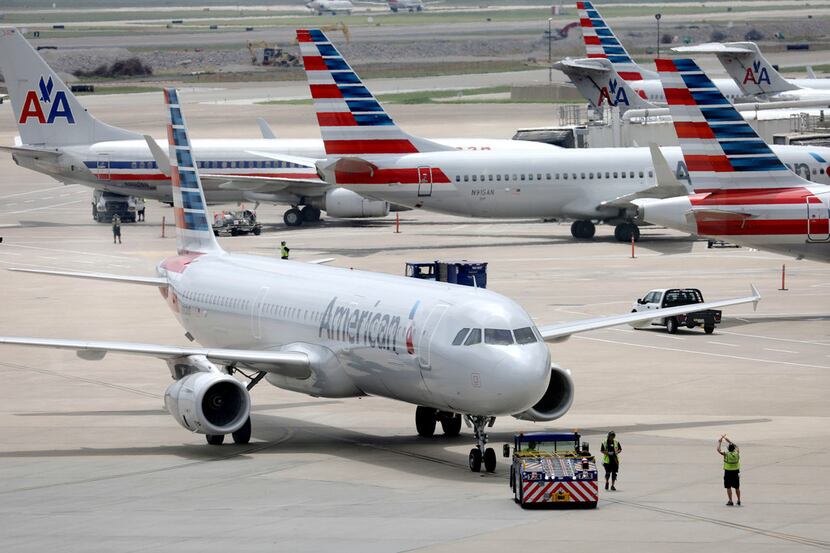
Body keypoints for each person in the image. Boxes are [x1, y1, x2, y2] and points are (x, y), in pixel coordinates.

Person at [717, 435, 741, 506]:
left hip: (728, 472)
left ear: (728, 449)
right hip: (736, 472)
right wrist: (729, 441)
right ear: (733, 449)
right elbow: (737, 447)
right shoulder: (737, 453)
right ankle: (739, 500)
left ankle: (730, 500)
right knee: (737, 487)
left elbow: (718, 450)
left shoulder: (726, 454)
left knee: (728, 487)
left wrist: (719, 442)